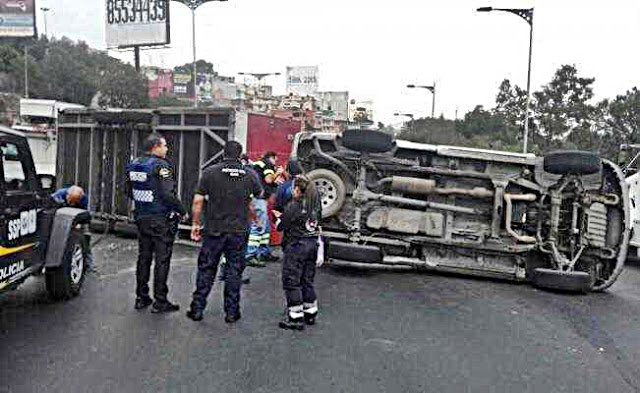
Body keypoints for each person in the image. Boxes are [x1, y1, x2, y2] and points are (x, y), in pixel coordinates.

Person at [187, 141, 263, 323]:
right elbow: (253, 201)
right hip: (238, 230)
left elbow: (198, 202)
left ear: (223, 153)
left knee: (206, 269)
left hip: (214, 229)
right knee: (234, 270)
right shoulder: (250, 174)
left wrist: (195, 224)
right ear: (240, 154)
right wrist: (255, 220)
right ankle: (231, 312)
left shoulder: (210, 173)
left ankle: (197, 309)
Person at [125, 133, 186, 313]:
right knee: (161, 259)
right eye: (164, 146)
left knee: (143, 258)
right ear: (155, 147)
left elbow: (127, 190)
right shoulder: (162, 166)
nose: (166, 149)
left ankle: (141, 297)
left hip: (141, 217)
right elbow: (168, 194)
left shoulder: (134, 164)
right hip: (160, 219)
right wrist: (182, 211)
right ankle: (160, 301)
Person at [277, 175, 322, 330]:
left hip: (297, 246)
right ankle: (310, 313)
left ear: (296, 189)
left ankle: (295, 318)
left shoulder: (294, 206)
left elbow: (281, 226)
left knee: (292, 281)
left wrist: (278, 218)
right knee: (307, 280)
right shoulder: (315, 205)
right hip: (312, 244)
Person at [247, 151, 282, 264]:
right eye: (275, 160)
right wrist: (278, 172)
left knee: (265, 228)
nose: (275, 163)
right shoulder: (267, 163)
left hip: (257, 199)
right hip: (259, 200)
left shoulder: (258, 164)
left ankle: (263, 252)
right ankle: (249, 255)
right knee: (258, 227)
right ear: (273, 157)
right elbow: (268, 180)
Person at [51, 185, 92, 271]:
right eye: (71, 201)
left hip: (76, 219)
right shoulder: (57, 196)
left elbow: (84, 214)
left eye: (75, 202)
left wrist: (79, 225)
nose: (72, 204)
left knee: (85, 237)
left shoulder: (83, 199)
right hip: (60, 220)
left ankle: (87, 263)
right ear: (67, 195)